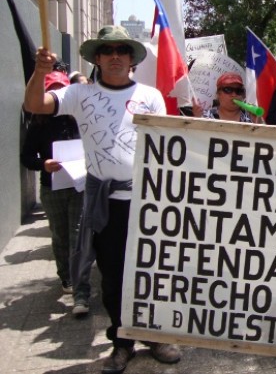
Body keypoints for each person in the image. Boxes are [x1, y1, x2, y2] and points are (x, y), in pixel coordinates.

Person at [24, 25, 181, 374]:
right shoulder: (79, 94)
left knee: (153, 272)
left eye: (121, 50)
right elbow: (34, 103)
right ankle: (122, 343)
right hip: (106, 204)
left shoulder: (151, 95)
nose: (114, 56)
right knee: (113, 276)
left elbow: (167, 147)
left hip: (147, 201)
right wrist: (40, 72)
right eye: (107, 50)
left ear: (131, 60)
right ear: (97, 58)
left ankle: (156, 336)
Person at [20, 71, 83, 300]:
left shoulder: (79, 118)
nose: (57, 94)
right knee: (60, 235)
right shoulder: (38, 124)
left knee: (77, 233)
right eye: (52, 89)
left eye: (61, 89)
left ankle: (79, 280)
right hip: (52, 187)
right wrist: (43, 164)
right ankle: (65, 277)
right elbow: (26, 157)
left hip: (78, 187)